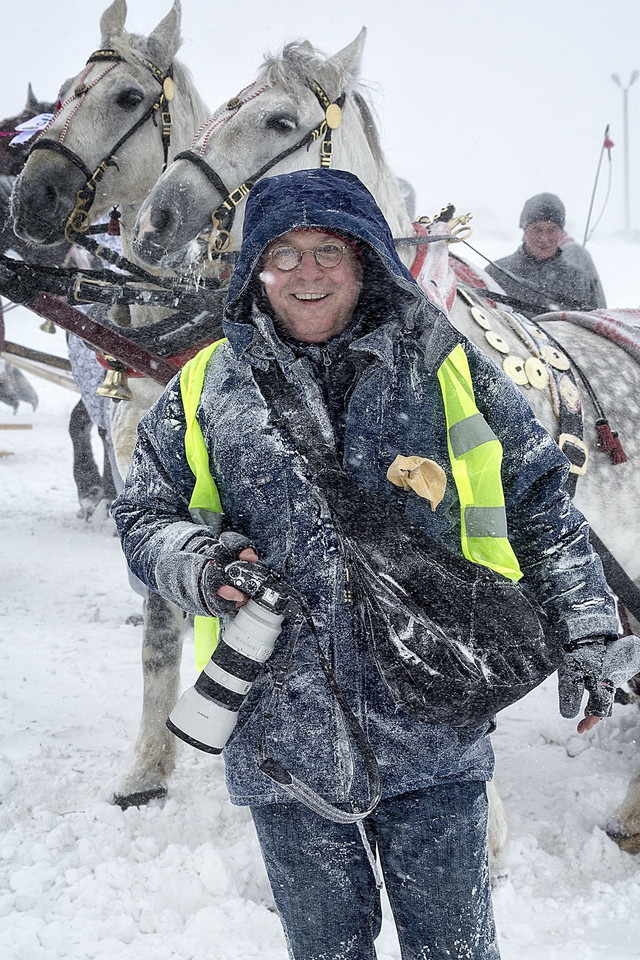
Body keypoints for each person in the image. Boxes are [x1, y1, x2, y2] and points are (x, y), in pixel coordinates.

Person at [112, 168, 619, 960]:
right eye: (284, 254)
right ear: (255, 270)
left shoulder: (447, 365)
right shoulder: (206, 385)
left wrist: (587, 625)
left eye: (327, 253)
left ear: (365, 261)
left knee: (455, 951)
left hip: (435, 722)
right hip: (283, 741)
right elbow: (143, 517)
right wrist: (202, 563)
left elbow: (541, 505)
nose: (307, 274)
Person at [485, 192, 605, 316]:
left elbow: (598, 327)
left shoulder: (580, 281)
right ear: (524, 232)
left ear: (561, 233)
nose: (544, 238)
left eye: (551, 230)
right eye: (537, 229)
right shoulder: (495, 274)